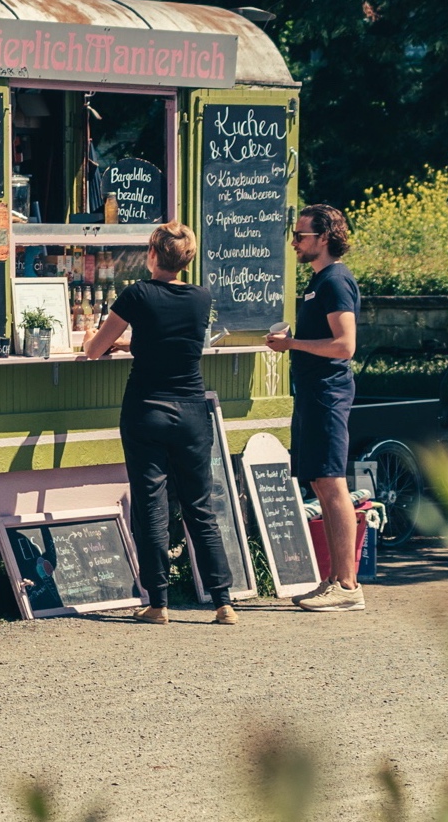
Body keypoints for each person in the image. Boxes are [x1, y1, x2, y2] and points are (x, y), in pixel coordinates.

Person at [81, 221, 238, 624]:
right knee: (199, 505)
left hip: (147, 408)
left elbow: (95, 350)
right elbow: (168, 339)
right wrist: (130, 342)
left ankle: (158, 604)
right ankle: (223, 602)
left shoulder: (137, 294)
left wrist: (94, 340)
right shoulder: (201, 297)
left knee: (151, 506)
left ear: (152, 254)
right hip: (191, 410)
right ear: (187, 259)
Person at [267, 203, 363, 611]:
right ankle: (335, 580)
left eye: (300, 235)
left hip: (328, 392)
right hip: (313, 391)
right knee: (321, 483)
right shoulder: (319, 281)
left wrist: (291, 344)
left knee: (332, 481)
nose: (294, 242)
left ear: (324, 237)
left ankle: (348, 587)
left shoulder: (335, 281)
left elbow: (344, 345)